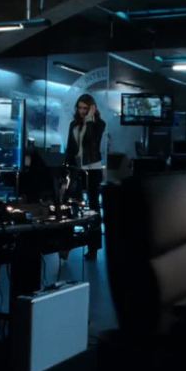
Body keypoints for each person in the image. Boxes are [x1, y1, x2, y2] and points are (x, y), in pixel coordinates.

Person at [64, 94, 106, 259]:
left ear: (92, 109)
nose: (82, 111)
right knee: (70, 204)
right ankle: (66, 244)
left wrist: (89, 120)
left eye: (85, 108)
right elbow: (70, 147)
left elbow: (91, 141)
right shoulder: (73, 124)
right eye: (80, 108)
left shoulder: (99, 124)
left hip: (92, 168)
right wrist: (66, 166)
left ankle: (93, 248)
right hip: (76, 167)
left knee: (93, 207)